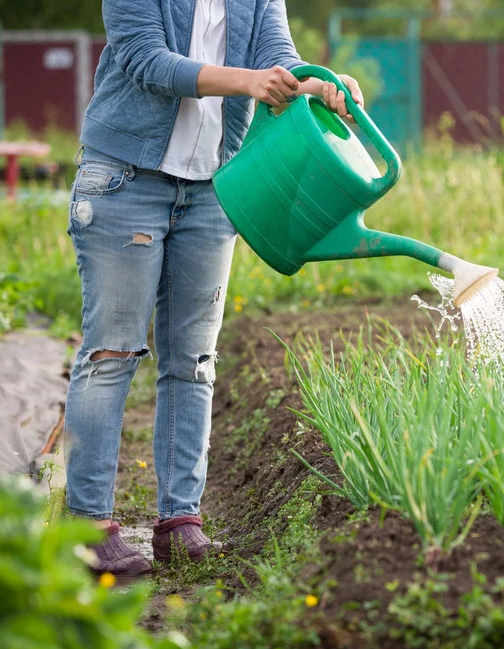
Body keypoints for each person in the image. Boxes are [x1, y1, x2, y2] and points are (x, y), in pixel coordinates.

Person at [65, 0, 364, 577]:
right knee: (112, 352)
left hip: (211, 189)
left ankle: (181, 522)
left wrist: (317, 82)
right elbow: (146, 60)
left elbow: (277, 58)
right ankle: (87, 527)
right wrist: (250, 83)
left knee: (195, 360)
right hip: (126, 181)